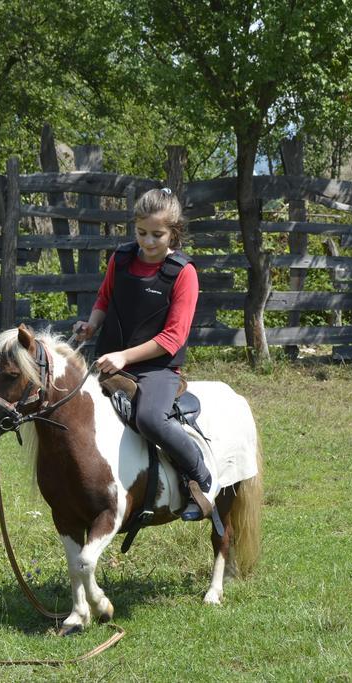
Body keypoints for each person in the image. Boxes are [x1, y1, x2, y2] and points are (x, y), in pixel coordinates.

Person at [72, 187, 214, 521]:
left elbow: (172, 338)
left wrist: (124, 357)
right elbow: (105, 299)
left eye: (157, 235)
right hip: (110, 360)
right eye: (141, 233)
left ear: (174, 233)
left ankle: (199, 476)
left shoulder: (184, 274)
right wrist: (92, 325)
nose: (148, 242)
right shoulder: (121, 259)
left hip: (157, 369)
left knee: (150, 419)